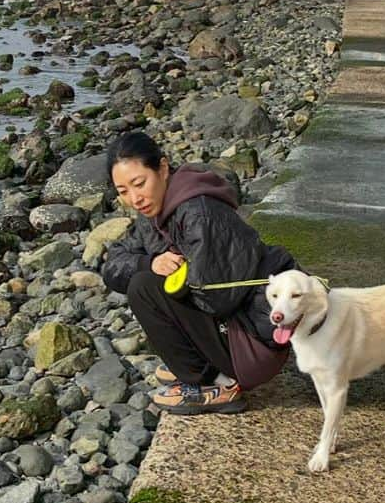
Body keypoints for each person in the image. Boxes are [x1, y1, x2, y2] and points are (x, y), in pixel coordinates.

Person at [101, 130, 296, 416]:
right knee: (144, 276)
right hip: (233, 329)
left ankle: (217, 384)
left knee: (144, 288)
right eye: (123, 192)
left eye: (139, 183)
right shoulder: (154, 214)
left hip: (254, 343)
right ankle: (202, 369)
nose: (135, 198)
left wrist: (173, 273)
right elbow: (112, 264)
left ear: (164, 168)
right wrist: (150, 263)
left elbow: (215, 298)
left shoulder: (199, 213)